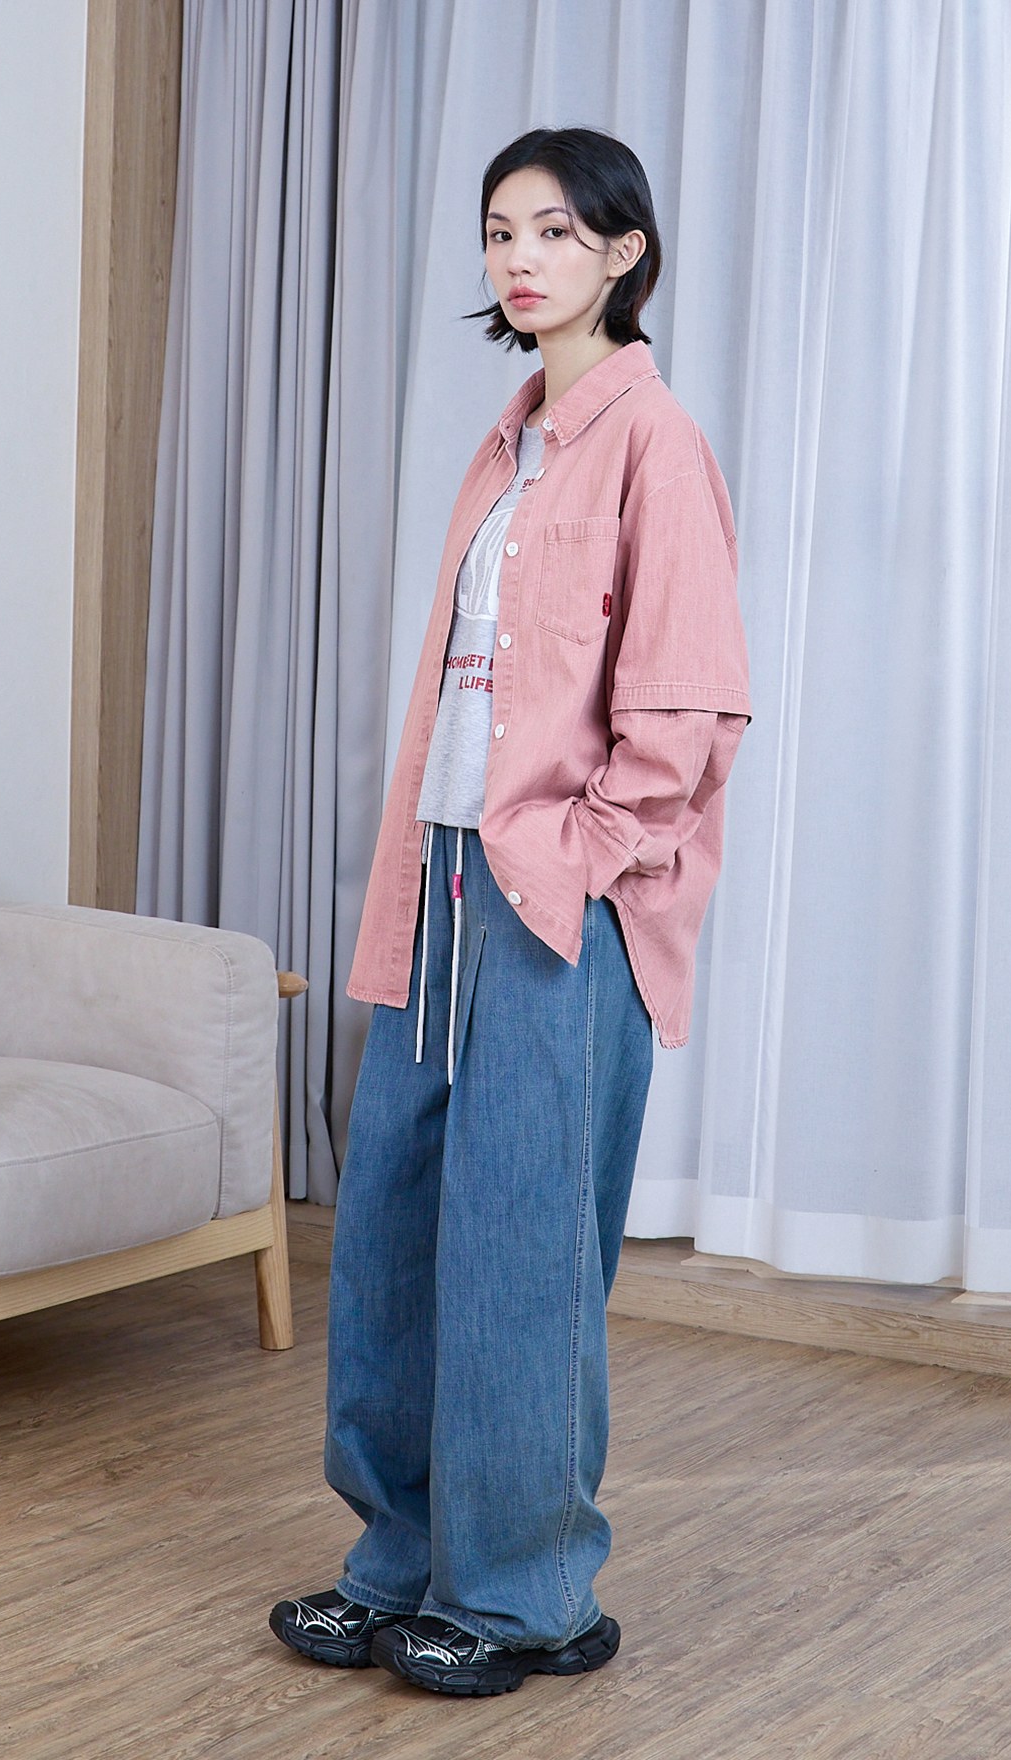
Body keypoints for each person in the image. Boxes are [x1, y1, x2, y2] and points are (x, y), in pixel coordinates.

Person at [270, 125, 752, 1698]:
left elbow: (689, 706)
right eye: (499, 232)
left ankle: (527, 1593)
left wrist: (581, 855)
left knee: (522, 1245)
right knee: (396, 1227)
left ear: (623, 251)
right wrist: (465, 850)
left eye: (554, 230)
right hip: (440, 873)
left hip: (558, 897)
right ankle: (399, 1562)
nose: (521, 257)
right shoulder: (509, 444)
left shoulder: (653, 440)